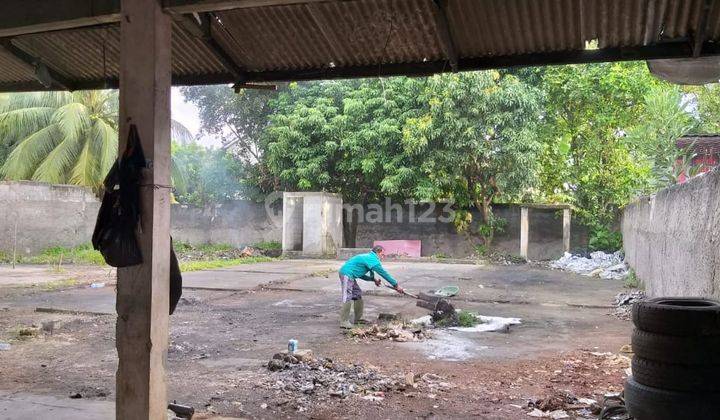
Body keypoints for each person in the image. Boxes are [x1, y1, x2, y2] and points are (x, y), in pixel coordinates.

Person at [337, 245, 404, 329]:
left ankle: (358, 319)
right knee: (347, 296)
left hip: (350, 275)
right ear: (378, 252)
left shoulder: (369, 257)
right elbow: (383, 273)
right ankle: (344, 321)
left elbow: (360, 274)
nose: (383, 257)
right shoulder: (372, 259)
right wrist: (396, 285)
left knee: (357, 294)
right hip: (346, 274)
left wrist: (373, 280)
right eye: (382, 254)